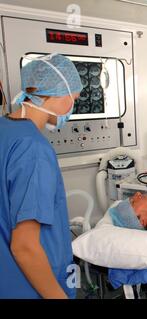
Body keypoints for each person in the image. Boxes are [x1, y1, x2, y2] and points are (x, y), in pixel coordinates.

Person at [0, 54, 82, 298]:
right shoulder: (34, 149)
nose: (72, 106)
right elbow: (25, 247)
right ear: (59, 97)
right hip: (29, 286)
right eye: (74, 99)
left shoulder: (5, 131)